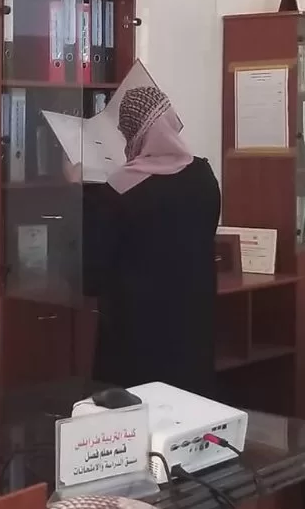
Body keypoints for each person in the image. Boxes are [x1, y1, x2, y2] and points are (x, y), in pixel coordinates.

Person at [81, 85, 222, 397]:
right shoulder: (204, 176)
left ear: (132, 133)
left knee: (135, 413)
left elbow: (92, 274)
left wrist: (79, 192)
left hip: (137, 334)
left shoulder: (118, 190)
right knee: (190, 409)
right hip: (192, 325)